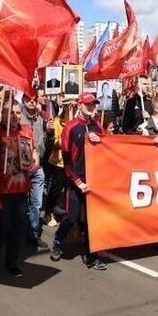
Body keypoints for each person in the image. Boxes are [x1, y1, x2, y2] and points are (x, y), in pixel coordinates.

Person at [50, 93, 108, 270]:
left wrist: (102, 140)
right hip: (77, 180)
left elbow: (109, 147)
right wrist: (77, 181)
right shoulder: (71, 128)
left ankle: (91, 256)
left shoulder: (97, 126)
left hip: (95, 179)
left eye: (93, 104)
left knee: (92, 219)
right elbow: (66, 160)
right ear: (79, 105)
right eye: (88, 104)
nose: (91, 107)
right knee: (71, 217)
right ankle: (58, 242)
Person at [0, 96, 39, 278]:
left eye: (18, 112)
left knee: (18, 227)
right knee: (2, 227)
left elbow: (33, 151)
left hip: (21, 188)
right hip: (1, 189)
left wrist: (36, 161)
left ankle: (12, 262)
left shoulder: (26, 130)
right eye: (11, 113)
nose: (16, 116)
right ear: (3, 113)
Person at [21, 93, 53, 250]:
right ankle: (16, 233)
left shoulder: (41, 120)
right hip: (21, 168)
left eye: (34, 99)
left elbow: (45, 143)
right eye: (28, 99)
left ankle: (33, 233)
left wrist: (50, 133)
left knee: (37, 203)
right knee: (21, 205)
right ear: (24, 101)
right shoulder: (18, 118)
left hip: (38, 167)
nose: (32, 102)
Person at [44, 101, 75, 225]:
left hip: (72, 162)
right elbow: (55, 143)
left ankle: (65, 213)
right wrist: (68, 141)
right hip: (59, 161)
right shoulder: (57, 121)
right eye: (70, 106)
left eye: (74, 106)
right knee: (56, 189)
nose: (72, 109)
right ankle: (48, 213)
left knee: (69, 190)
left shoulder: (76, 122)